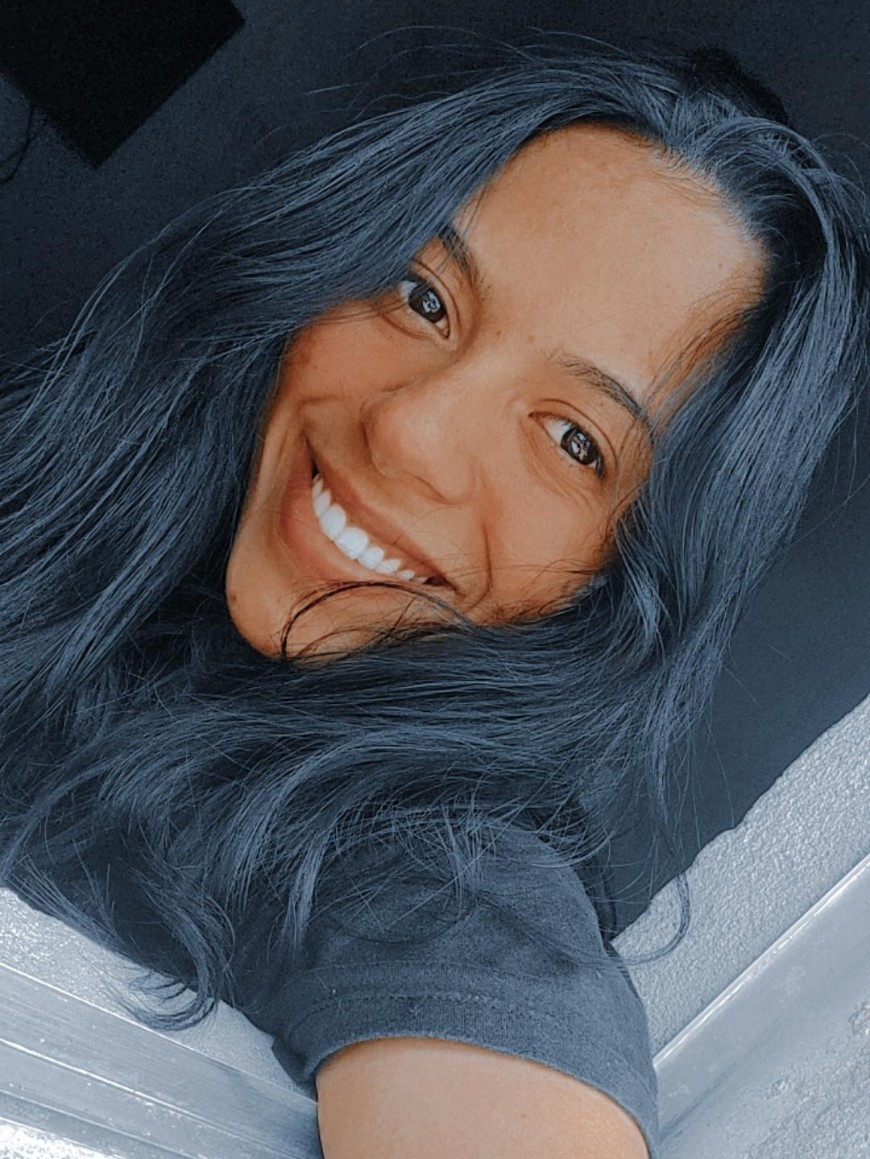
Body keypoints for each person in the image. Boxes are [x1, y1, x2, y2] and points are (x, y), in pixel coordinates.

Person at [1, 38, 867, 1159]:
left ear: (620, 579)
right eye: (424, 297)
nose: (409, 429)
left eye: (574, 440)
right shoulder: (83, 520)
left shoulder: (438, 888)